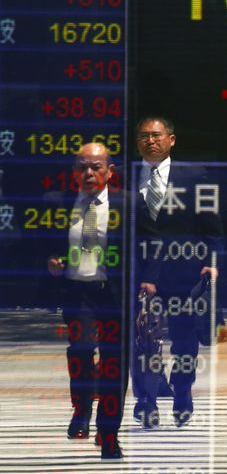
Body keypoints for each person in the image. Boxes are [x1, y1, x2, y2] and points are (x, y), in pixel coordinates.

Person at [132, 116, 222, 429]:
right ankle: (147, 400)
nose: (150, 141)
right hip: (141, 274)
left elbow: (211, 226)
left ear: (171, 139)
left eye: (156, 135)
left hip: (185, 273)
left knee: (185, 342)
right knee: (143, 341)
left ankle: (182, 391)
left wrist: (211, 263)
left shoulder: (195, 176)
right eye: (144, 136)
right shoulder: (125, 178)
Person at [46, 143, 128, 460]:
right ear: (74, 172)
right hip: (77, 290)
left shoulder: (126, 204)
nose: (89, 173)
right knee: (80, 350)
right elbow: (43, 243)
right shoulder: (58, 204)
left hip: (113, 293)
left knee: (113, 362)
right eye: (82, 167)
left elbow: (146, 243)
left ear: (110, 171)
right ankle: (81, 410)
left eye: (96, 167)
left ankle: (109, 433)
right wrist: (51, 261)